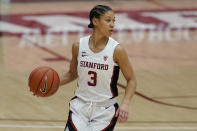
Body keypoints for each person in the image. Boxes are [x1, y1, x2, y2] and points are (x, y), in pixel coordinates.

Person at [60, 5, 137, 131]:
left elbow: (132, 80)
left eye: (114, 21)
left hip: (105, 111)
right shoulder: (78, 45)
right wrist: (53, 84)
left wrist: (125, 104)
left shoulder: (117, 50)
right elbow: (72, 73)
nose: (112, 24)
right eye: (108, 20)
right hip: (80, 106)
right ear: (95, 21)